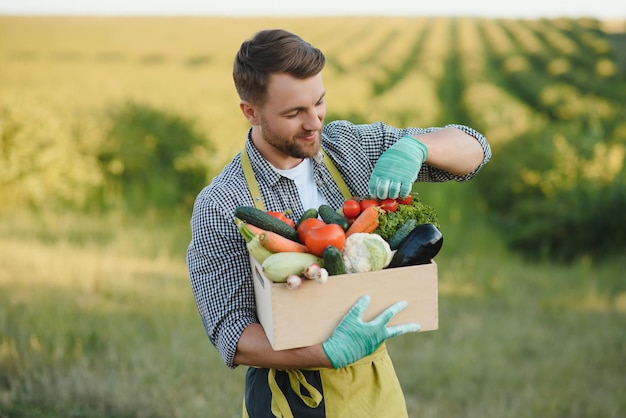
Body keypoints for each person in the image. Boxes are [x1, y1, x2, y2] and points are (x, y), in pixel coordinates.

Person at [187, 28, 491, 417]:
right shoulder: (222, 203)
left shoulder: (350, 147)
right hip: (288, 398)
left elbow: (475, 148)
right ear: (251, 111)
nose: (314, 122)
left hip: (374, 386)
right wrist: (326, 354)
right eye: (294, 113)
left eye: (319, 102)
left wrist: (417, 147)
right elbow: (231, 331)